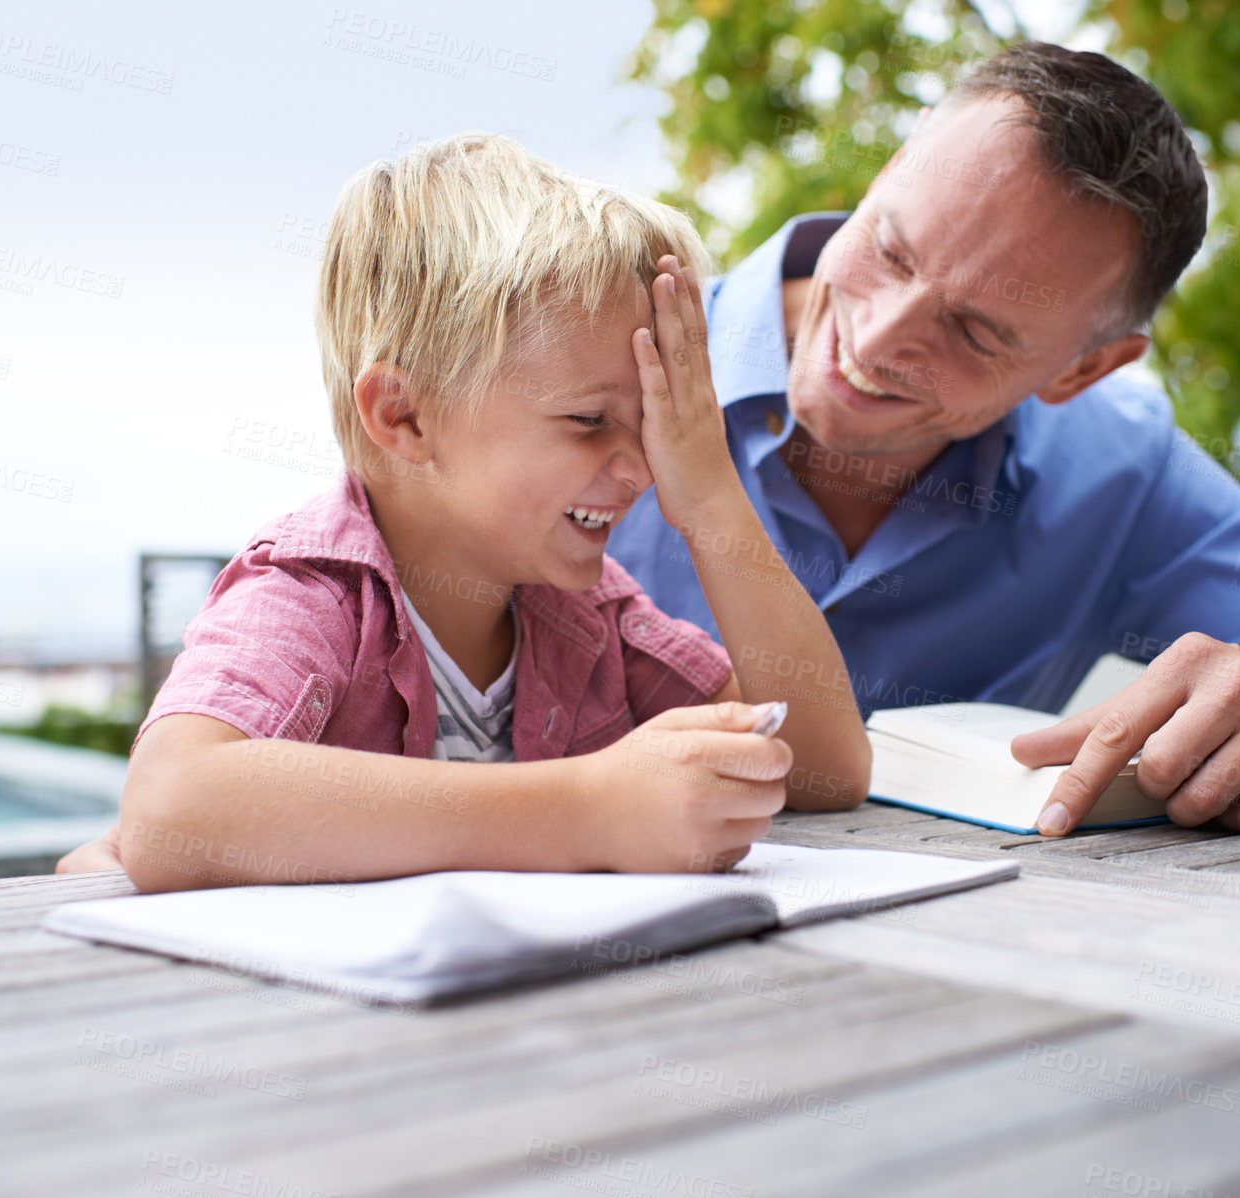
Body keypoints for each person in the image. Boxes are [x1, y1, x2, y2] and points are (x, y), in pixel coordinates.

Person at [607, 41, 1240, 837]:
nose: (878, 338)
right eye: (890, 250)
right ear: (885, 174)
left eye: (975, 332)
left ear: (1081, 370)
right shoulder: (592, 366)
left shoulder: (1118, 472)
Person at [56, 133, 869, 889]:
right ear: (405, 417)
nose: (640, 470)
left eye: (655, 429)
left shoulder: (592, 618)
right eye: (588, 421)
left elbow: (825, 769)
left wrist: (713, 497)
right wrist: (587, 809)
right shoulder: (316, 597)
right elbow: (174, 804)